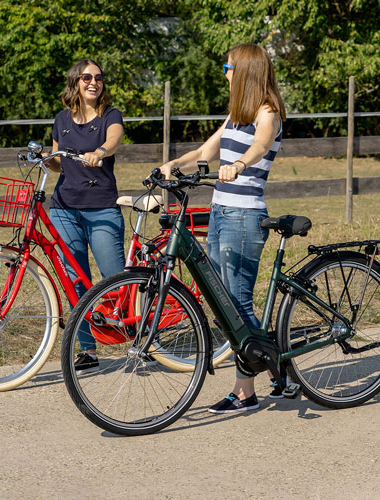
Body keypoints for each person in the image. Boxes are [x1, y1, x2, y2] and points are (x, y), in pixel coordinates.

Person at [160, 43, 286, 413]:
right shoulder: (236, 115)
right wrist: (174, 163)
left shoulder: (268, 113)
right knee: (223, 302)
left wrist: (241, 165)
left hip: (244, 217)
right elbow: (205, 152)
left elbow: (261, 145)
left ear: (244, 70)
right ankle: (277, 369)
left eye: (228, 67)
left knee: (236, 301)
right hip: (220, 213)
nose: (224, 73)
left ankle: (247, 390)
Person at [46, 58, 125, 374]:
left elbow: (115, 139)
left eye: (99, 77)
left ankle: (143, 338)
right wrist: (46, 160)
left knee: (118, 279)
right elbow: (58, 161)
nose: (94, 82)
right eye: (87, 77)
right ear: (75, 82)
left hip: (102, 207)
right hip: (64, 208)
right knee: (75, 281)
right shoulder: (62, 119)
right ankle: (88, 349)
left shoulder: (110, 116)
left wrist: (101, 152)